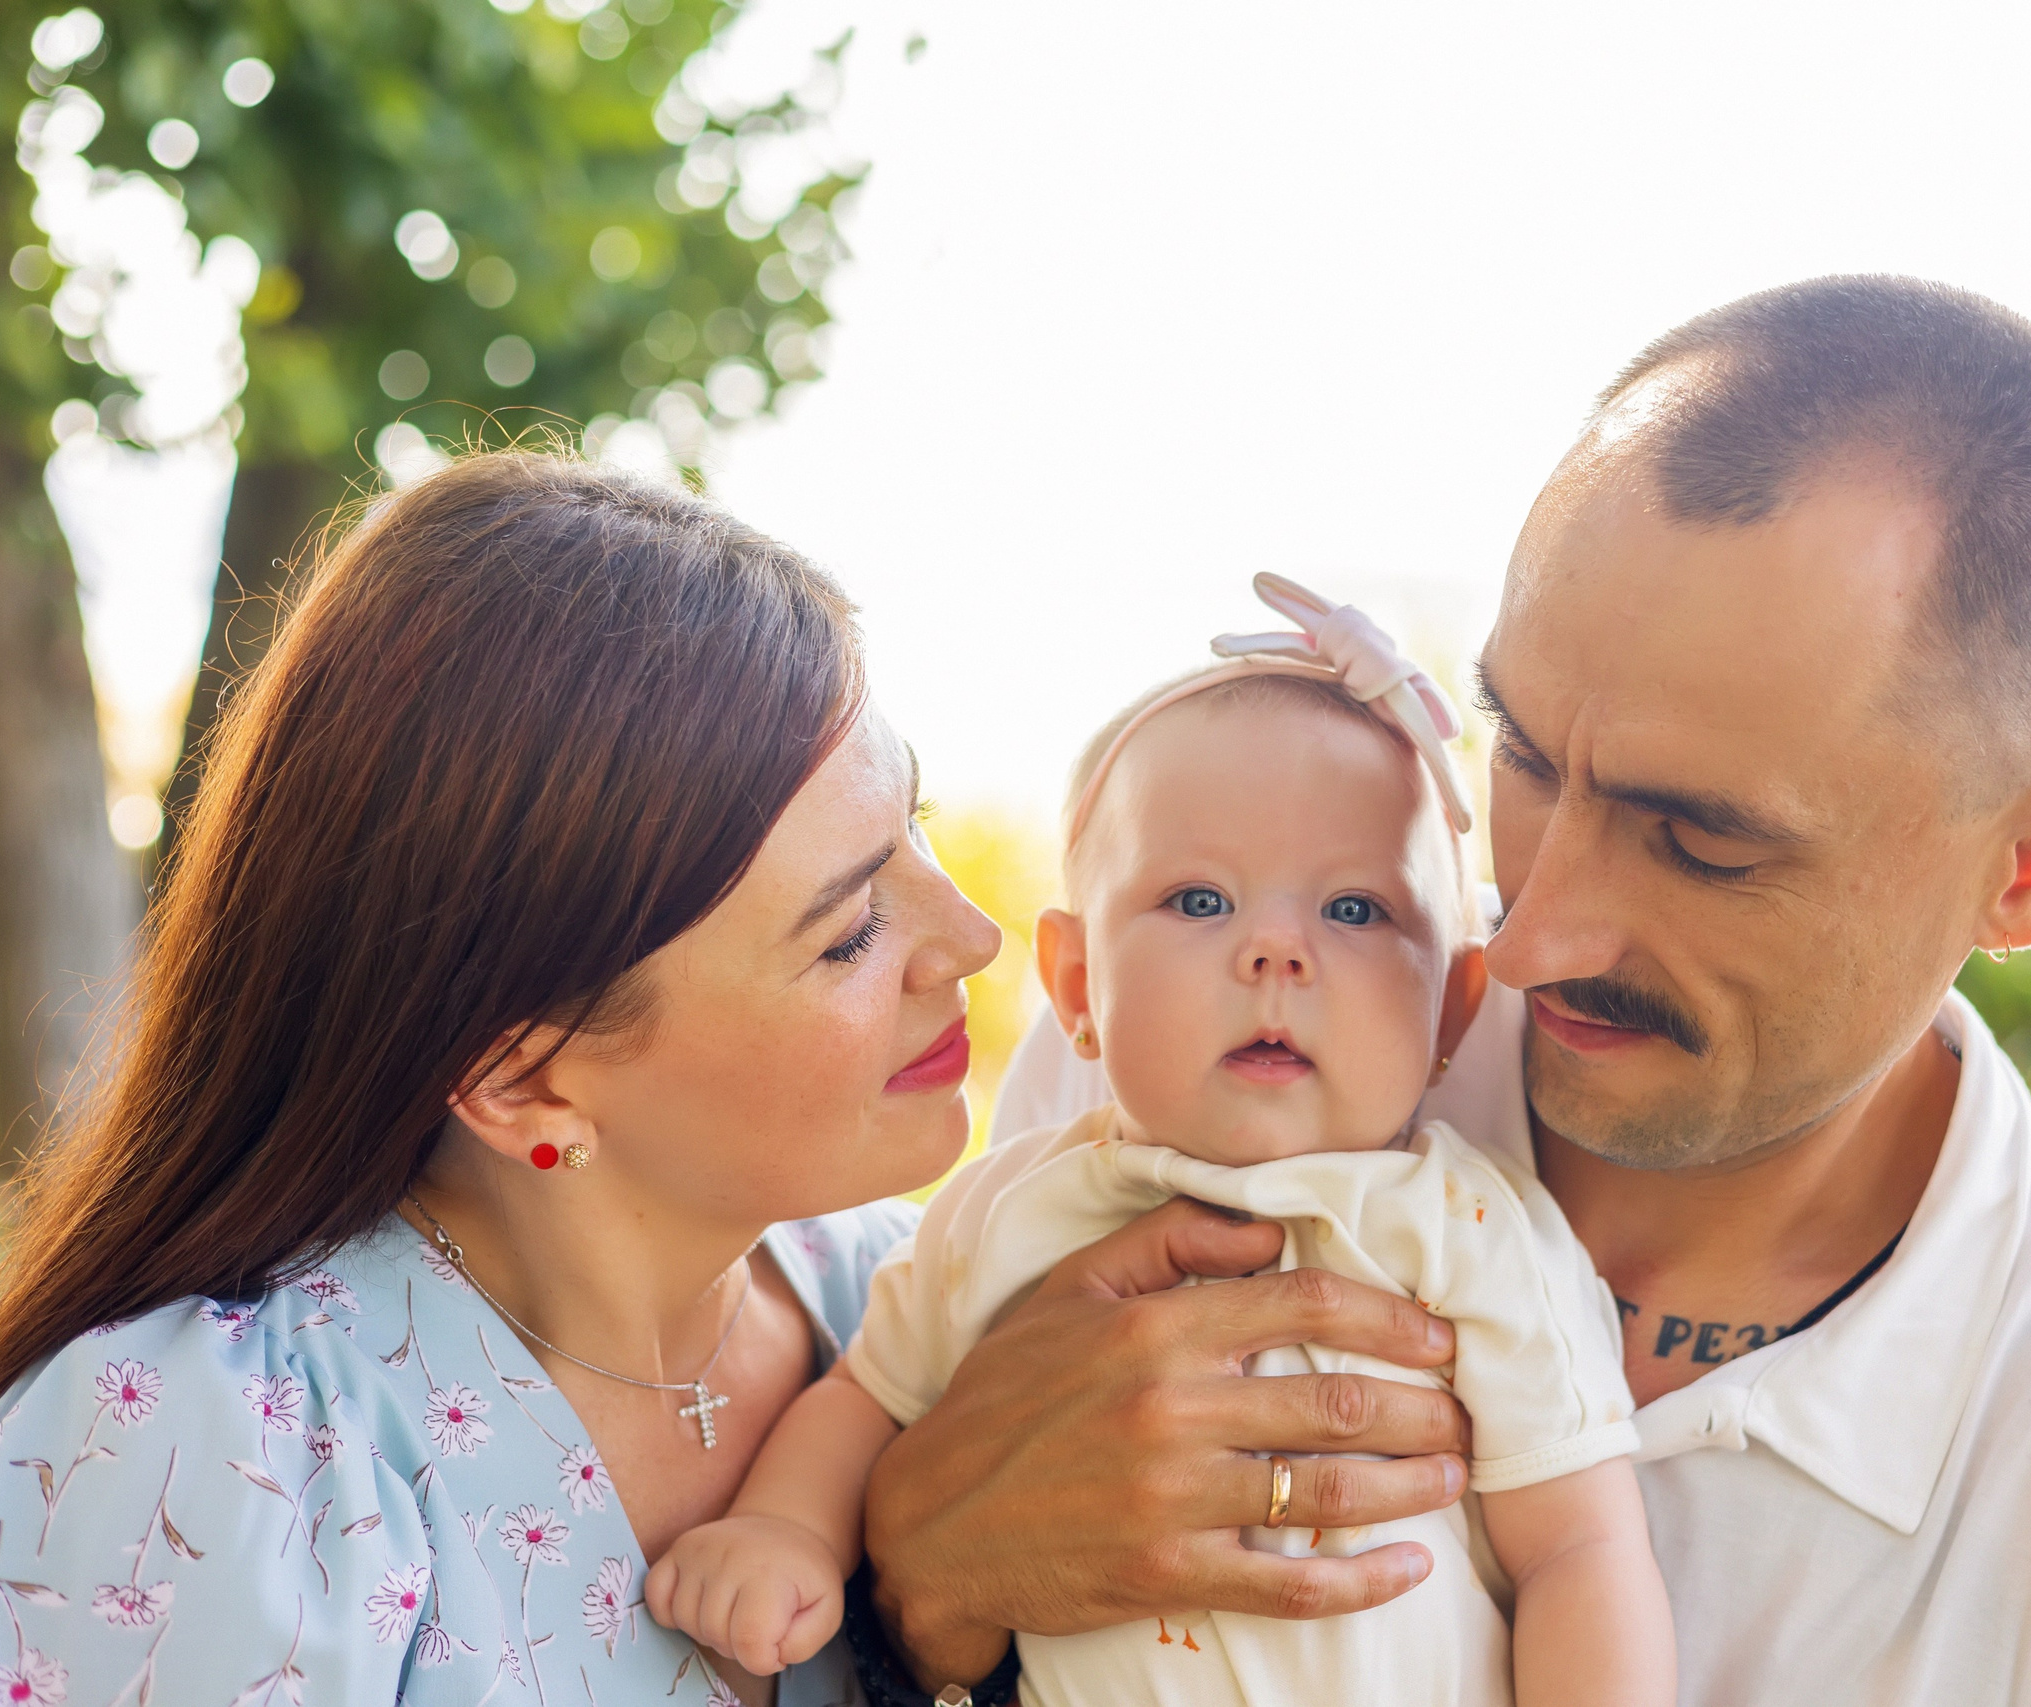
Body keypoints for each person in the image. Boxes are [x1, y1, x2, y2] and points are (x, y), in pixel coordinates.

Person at [856, 277, 2031, 1705]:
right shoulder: (1197, 1039)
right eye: (1522, 751)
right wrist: (921, 1571)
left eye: (1703, 837)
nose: (1531, 936)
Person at [0, 452, 1033, 1706]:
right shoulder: (209, 1458)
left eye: (911, 823)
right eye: (851, 928)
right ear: (524, 1082)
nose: (973, 936)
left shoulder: (936, 1311)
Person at [646, 575, 1672, 1706]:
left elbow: (1579, 1549)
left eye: (1353, 911)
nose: (1275, 955)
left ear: (1454, 1010)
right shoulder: (1011, 1210)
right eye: (1197, 902)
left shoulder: (1470, 1232)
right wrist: (786, 1530)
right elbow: (864, 1401)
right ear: (1078, 984)